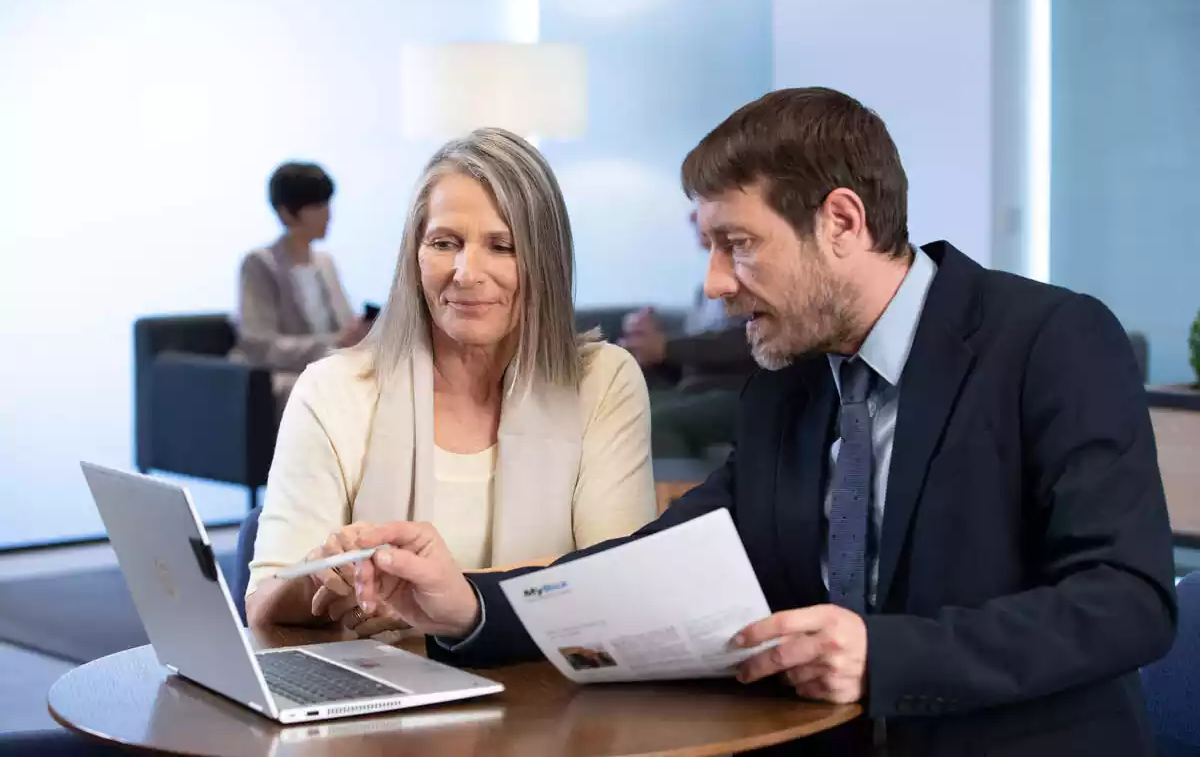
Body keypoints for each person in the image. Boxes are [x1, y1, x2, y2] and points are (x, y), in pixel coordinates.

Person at [347, 89, 1177, 756]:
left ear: (842, 223)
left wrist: (885, 656)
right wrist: (471, 607)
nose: (713, 284)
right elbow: (658, 559)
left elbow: (1126, 600)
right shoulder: (788, 381)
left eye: (736, 243)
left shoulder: (1050, 341)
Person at [244, 129, 657, 637]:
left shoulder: (604, 381)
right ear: (414, 255)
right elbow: (263, 604)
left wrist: (438, 597)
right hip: (382, 697)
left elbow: (619, 582)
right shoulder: (331, 389)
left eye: (502, 246)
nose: (466, 272)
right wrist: (321, 576)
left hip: (556, 696)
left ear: (545, 262)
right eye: (445, 243)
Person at [620, 209, 756, 460]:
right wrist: (644, 349)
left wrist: (665, 348)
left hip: (746, 394)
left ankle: (674, 496)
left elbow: (749, 342)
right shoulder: (702, 291)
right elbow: (693, 362)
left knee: (650, 422)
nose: (692, 218)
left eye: (702, 207)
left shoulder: (754, 279)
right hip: (699, 390)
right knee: (616, 408)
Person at [235, 161, 372, 408]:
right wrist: (333, 344)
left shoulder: (325, 263)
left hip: (331, 368)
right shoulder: (260, 264)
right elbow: (260, 343)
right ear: (287, 212)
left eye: (328, 203)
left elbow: (344, 328)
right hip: (287, 376)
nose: (328, 214)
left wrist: (360, 333)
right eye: (318, 205)